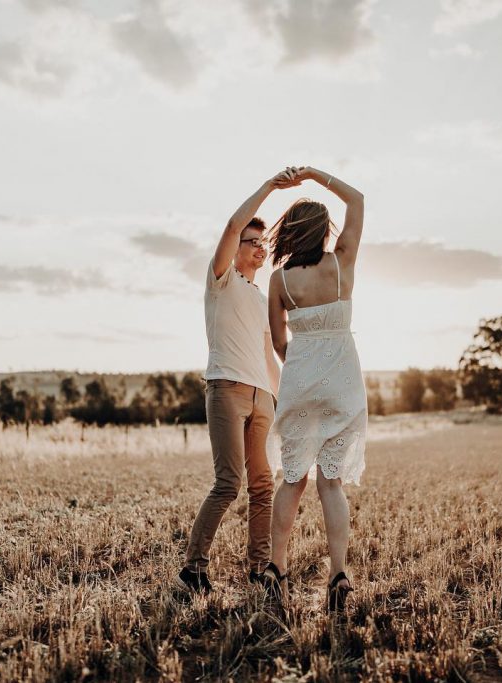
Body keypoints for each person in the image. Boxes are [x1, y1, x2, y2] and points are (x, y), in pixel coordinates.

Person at [176, 168, 299, 594]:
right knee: (229, 483)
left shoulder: (262, 298)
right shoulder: (221, 279)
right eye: (254, 241)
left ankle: (260, 567)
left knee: (263, 485)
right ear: (237, 246)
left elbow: (269, 356)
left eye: (263, 243)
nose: (261, 249)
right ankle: (194, 568)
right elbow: (232, 225)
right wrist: (269, 187)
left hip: (262, 396)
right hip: (226, 390)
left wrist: (289, 399)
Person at [261, 166, 367, 613]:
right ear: (324, 231)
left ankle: (276, 568)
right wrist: (313, 175)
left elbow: (279, 342)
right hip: (344, 383)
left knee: (292, 479)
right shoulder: (341, 263)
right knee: (331, 482)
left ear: (290, 232)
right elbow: (358, 200)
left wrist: (304, 370)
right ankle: (338, 573)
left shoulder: (280, 281)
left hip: (300, 382)